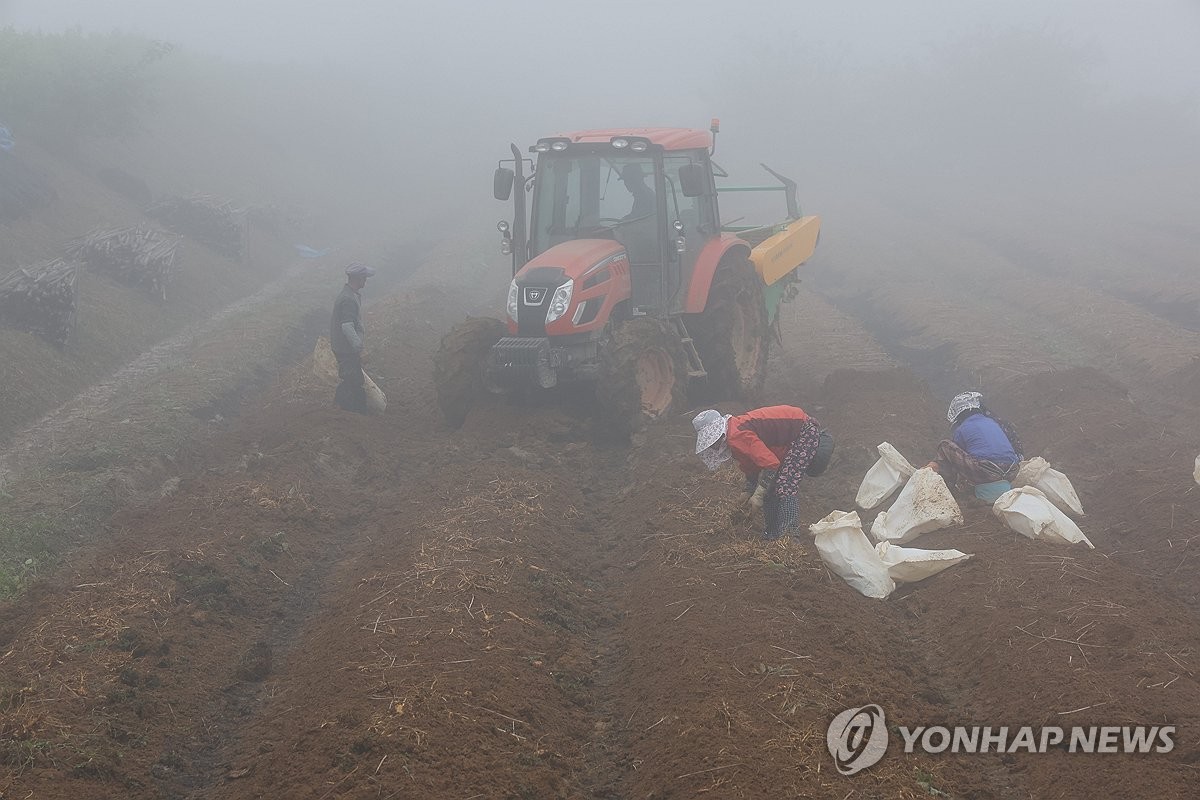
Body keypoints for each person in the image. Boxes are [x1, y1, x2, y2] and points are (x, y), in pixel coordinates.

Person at [694, 406, 835, 540]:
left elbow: (771, 464)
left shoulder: (736, 434)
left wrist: (759, 494)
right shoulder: (733, 433)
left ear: (718, 434)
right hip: (791, 435)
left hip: (803, 431)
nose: (712, 446)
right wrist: (749, 489)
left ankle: (790, 537)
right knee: (772, 488)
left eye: (712, 442)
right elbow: (751, 462)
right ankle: (772, 534)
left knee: (785, 485)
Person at [928, 391, 1023, 499]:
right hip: (1012, 471)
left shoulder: (962, 428)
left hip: (987, 472)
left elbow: (957, 459)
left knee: (945, 445)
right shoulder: (993, 423)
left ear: (959, 415)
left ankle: (948, 490)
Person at [330, 262, 376, 413]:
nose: (366, 281)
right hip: (346, 348)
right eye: (364, 278)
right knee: (353, 379)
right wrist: (359, 348)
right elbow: (347, 327)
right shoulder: (348, 299)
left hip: (344, 346)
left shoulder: (350, 295)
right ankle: (352, 410)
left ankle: (343, 407)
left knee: (352, 378)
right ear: (357, 279)